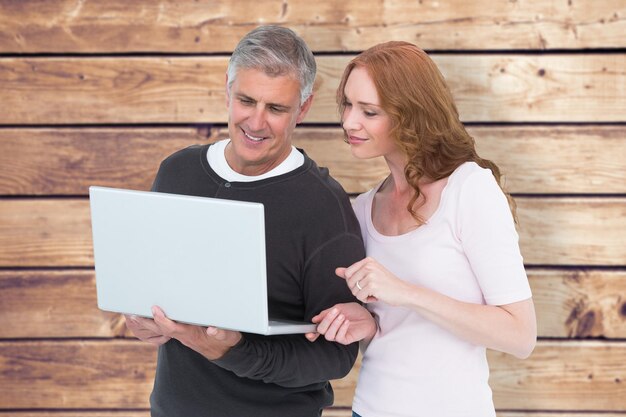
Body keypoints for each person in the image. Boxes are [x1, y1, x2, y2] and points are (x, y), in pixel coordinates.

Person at [124, 25, 365, 417]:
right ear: (227, 89)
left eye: (276, 108)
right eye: (246, 101)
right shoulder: (177, 173)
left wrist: (234, 351)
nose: (255, 122)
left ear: (303, 109)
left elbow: (334, 357)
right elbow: (156, 286)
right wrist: (144, 320)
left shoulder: (324, 208)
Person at [306, 41, 537, 417]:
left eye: (369, 111)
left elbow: (520, 335)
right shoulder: (362, 209)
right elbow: (396, 330)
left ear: (409, 114)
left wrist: (406, 293)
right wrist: (365, 324)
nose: (349, 121)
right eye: (348, 105)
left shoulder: (469, 189)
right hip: (370, 409)